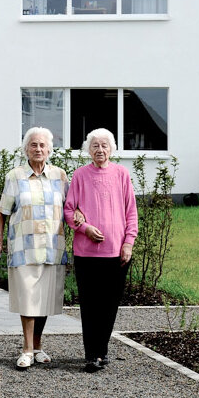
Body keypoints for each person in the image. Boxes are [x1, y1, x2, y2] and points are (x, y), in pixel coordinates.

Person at [0, 127, 69, 370]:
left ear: (49, 150)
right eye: (33, 145)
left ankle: (37, 346)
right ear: (26, 149)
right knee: (28, 299)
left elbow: (71, 208)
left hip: (52, 247)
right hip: (24, 247)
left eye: (42, 145)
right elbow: (2, 212)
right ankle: (26, 349)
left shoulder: (60, 176)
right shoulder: (15, 176)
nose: (38, 149)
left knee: (45, 300)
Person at [64, 128, 138, 373]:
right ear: (88, 149)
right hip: (86, 253)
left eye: (105, 145)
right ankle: (91, 354)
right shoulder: (80, 175)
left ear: (112, 149)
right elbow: (68, 210)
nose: (100, 149)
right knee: (90, 304)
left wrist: (128, 242)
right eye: (95, 145)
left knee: (109, 304)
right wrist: (84, 228)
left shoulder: (121, 174)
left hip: (116, 252)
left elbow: (131, 213)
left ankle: (102, 349)